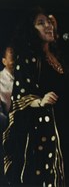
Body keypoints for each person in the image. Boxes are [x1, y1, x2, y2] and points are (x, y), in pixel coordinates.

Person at [2, 6, 69, 186]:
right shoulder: (28, 58)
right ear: (31, 30)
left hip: (67, 126)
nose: (48, 26)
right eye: (41, 23)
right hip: (45, 130)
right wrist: (39, 101)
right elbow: (19, 96)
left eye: (49, 22)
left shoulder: (58, 57)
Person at [0, 45, 15, 185]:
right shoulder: (0, 80)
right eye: (12, 56)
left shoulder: (23, 76)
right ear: (4, 61)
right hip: (6, 131)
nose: (15, 59)